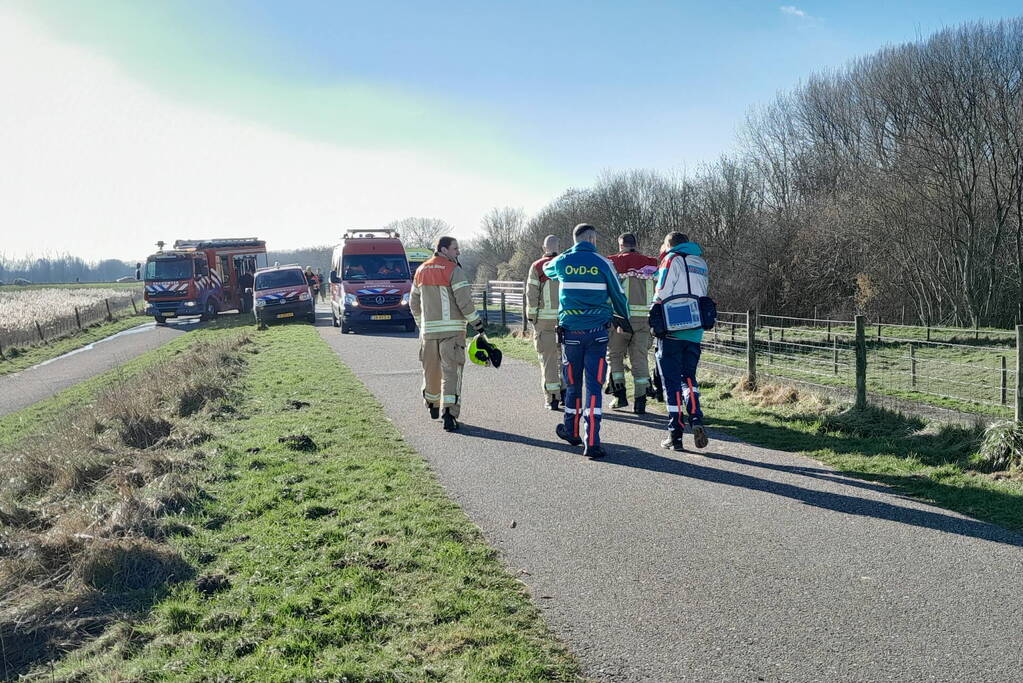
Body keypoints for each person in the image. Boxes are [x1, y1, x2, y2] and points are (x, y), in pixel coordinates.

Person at [544, 223, 631, 459]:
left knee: (572, 383)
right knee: (594, 385)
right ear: (592, 239)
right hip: (598, 334)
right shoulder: (603, 263)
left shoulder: (562, 261)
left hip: (570, 334)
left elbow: (547, 268)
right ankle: (592, 441)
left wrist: (567, 254)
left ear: (575, 240)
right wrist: (626, 320)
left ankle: (571, 430)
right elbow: (618, 295)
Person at [409, 236, 486, 431]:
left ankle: (432, 405)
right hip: (452, 333)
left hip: (428, 333)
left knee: (431, 371)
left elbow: (413, 304)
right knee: (452, 373)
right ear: (443, 250)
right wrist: (477, 323)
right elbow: (464, 302)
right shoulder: (454, 270)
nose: (458, 252)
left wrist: (422, 325)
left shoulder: (420, 271)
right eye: (455, 248)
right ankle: (449, 414)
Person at [652, 232, 710, 451]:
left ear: (669, 245)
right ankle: (696, 418)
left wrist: (654, 314)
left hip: (672, 327)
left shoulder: (671, 259)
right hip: (695, 328)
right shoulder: (700, 261)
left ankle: (675, 434)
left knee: (671, 382)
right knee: (689, 378)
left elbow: (662, 290)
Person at [606, 233, 658, 414]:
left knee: (615, 357)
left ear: (620, 245)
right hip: (644, 319)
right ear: (636, 244)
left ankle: (619, 397)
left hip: (619, 319)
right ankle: (640, 402)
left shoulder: (612, 263)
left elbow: (607, 291)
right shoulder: (652, 264)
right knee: (640, 358)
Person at [525, 235, 564, 410]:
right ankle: (566, 392)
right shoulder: (566, 264)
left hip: (545, 321)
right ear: (559, 247)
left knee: (548, 360)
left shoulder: (537, 266)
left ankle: (552, 398)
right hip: (566, 319)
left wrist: (531, 317)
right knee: (566, 359)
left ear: (543, 247)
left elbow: (531, 293)